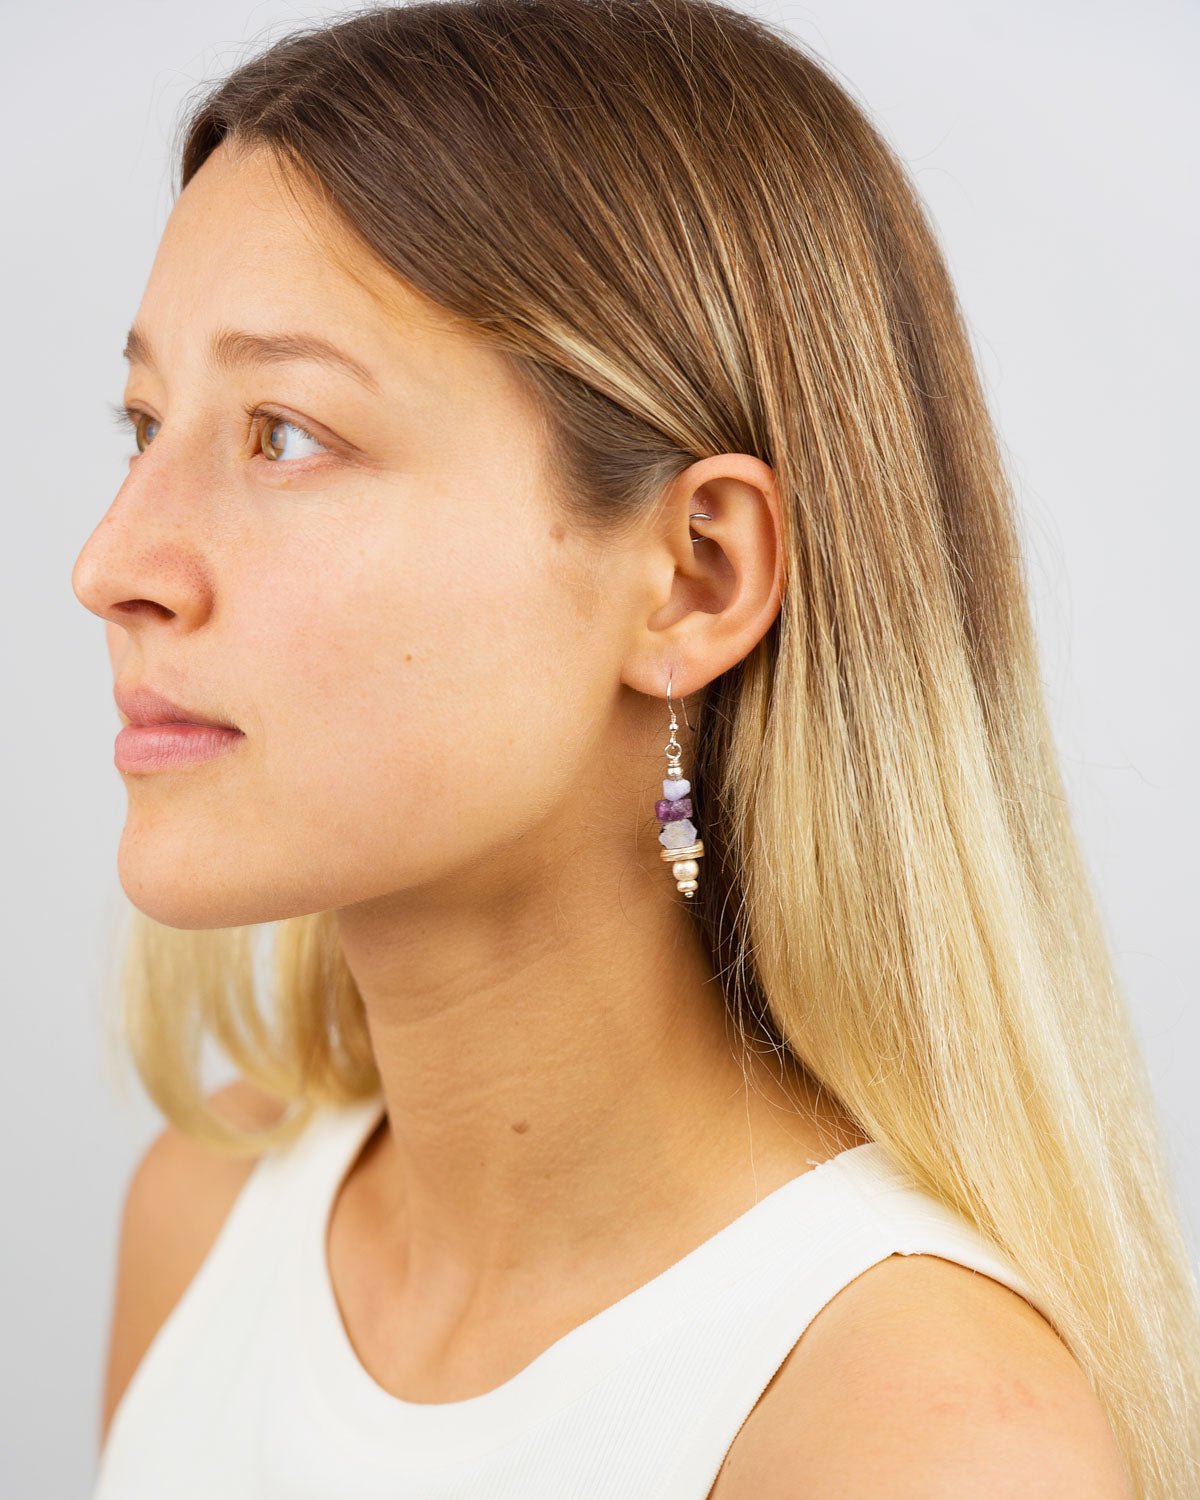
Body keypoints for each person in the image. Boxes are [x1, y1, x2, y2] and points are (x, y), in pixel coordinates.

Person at [71, 1, 1199, 1495]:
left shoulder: (920, 1439)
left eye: (285, 432)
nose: (113, 565)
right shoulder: (207, 1216)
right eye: (145, 423)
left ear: (696, 577)